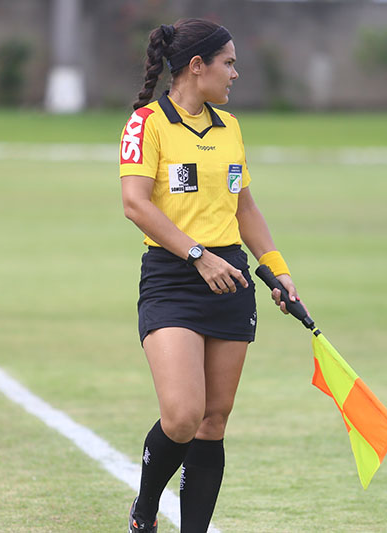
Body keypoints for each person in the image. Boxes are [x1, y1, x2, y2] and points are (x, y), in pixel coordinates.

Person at [119, 18, 303, 533]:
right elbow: (135, 205)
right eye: (228, 63)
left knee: (212, 423)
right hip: (174, 278)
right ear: (196, 67)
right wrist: (198, 255)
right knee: (182, 415)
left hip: (231, 281)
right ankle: (144, 510)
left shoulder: (231, 129)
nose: (235, 74)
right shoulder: (147, 125)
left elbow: (244, 209)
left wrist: (277, 271)